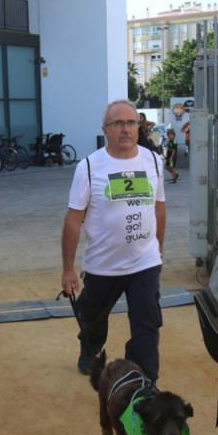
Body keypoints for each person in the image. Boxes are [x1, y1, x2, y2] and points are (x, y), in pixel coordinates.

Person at [61, 99, 167, 382]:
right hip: (103, 265)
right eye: (117, 123)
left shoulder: (154, 161)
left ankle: (144, 381)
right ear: (105, 129)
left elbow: (158, 208)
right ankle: (91, 347)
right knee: (92, 318)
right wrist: (68, 268)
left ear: (139, 126)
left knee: (147, 326)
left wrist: (159, 248)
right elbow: (73, 219)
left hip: (145, 262)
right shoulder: (88, 167)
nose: (125, 129)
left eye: (131, 123)